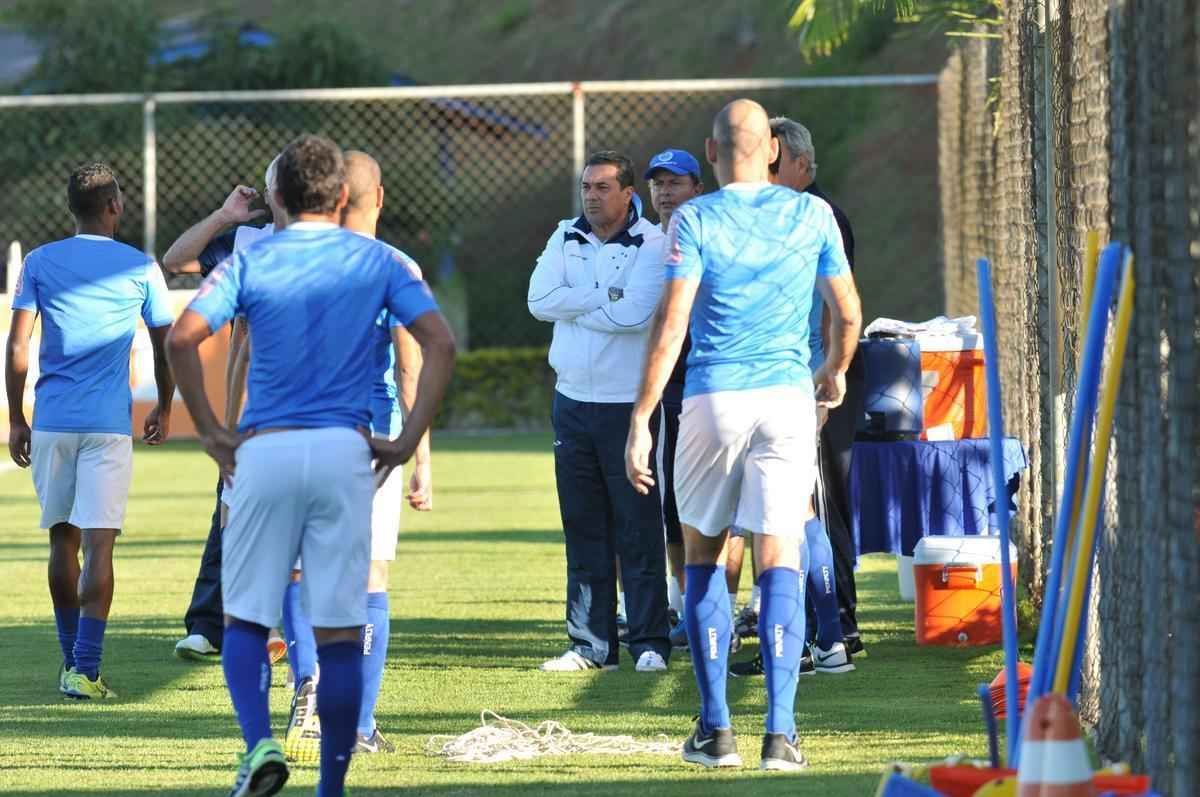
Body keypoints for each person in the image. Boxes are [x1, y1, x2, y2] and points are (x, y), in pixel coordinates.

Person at [167, 134, 455, 797]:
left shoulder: (254, 256)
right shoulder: (380, 262)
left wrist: (212, 429)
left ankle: (259, 744)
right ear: (345, 196)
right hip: (345, 451)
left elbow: (186, 335)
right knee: (338, 626)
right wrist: (409, 438)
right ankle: (332, 784)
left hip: (265, 449)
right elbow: (437, 343)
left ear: (278, 197)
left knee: (243, 618)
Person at [624, 100, 861, 771]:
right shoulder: (812, 214)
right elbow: (847, 310)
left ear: (710, 151)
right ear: (776, 154)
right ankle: (781, 735)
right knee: (778, 555)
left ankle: (715, 727)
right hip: (786, 397)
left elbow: (672, 322)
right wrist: (835, 372)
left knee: (703, 555)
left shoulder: (694, 217)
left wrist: (641, 417)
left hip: (713, 396)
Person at [279, 150, 433, 763]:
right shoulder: (396, 266)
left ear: (335, 195)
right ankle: (359, 722)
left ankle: (306, 686)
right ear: (380, 197)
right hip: (373, 440)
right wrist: (423, 458)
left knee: (298, 572)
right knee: (369, 578)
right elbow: (412, 363)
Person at [5, 163, 176, 700]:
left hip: (53, 421)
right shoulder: (141, 267)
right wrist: (164, 404)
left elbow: (17, 348)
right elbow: (166, 344)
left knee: (63, 540)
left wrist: (16, 417)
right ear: (115, 207)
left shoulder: (39, 261)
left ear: (71, 209)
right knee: (100, 545)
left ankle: (70, 662)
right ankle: (86, 667)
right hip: (108, 428)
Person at [528, 150, 672, 674]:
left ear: (627, 193)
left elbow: (635, 315)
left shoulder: (654, 243)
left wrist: (577, 301)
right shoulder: (563, 234)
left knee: (636, 525)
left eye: (603, 188)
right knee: (583, 524)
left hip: (627, 405)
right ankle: (590, 645)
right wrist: (600, 295)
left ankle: (650, 640)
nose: (591, 196)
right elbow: (538, 300)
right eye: (586, 187)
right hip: (571, 402)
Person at [730, 116, 863, 678]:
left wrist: (830, 375)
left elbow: (841, 308)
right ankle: (818, 635)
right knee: (789, 513)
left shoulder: (815, 216)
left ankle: (827, 635)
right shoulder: (766, 218)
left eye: (770, 159)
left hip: (795, 382)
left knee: (801, 515)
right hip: (777, 380)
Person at [167, 160, 289, 663]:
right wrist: (223, 217)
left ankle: (282, 627)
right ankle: (210, 625)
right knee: (232, 512)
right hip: (254, 406)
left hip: (314, 408)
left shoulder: (339, 247)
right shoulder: (248, 244)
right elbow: (176, 260)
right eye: (275, 184)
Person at [642, 148, 707, 650]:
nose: (665, 192)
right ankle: (685, 607)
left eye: (676, 183)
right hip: (666, 391)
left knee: (713, 510)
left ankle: (717, 609)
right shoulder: (643, 244)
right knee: (670, 508)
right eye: (658, 184)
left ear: (697, 189)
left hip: (706, 386)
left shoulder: (707, 235)